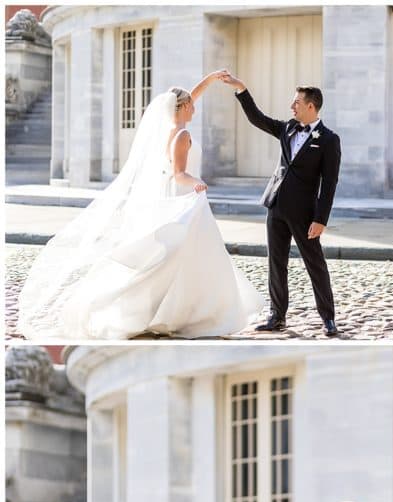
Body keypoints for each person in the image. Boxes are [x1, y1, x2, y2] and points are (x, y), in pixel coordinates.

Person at [17, 72, 262, 340]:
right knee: (181, 257)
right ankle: (184, 311)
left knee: (182, 257)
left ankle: (181, 310)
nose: (196, 106)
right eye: (191, 104)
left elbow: (188, 99)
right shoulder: (182, 135)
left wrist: (212, 79)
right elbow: (179, 173)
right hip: (185, 199)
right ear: (181, 107)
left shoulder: (170, 129)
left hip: (179, 197)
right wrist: (197, 182)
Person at [222, 73, 342, 338]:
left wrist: (321, 219)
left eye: (297, 102)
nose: (292, 106)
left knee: (315, 264)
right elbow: (258, 119)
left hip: (305, 214)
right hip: (276, 206)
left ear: (311, 106)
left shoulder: (329, 140)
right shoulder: (288, 128)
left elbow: (330, 183)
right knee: (276, 262)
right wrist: (242, 89)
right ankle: (277, 316)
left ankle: (328, 318)